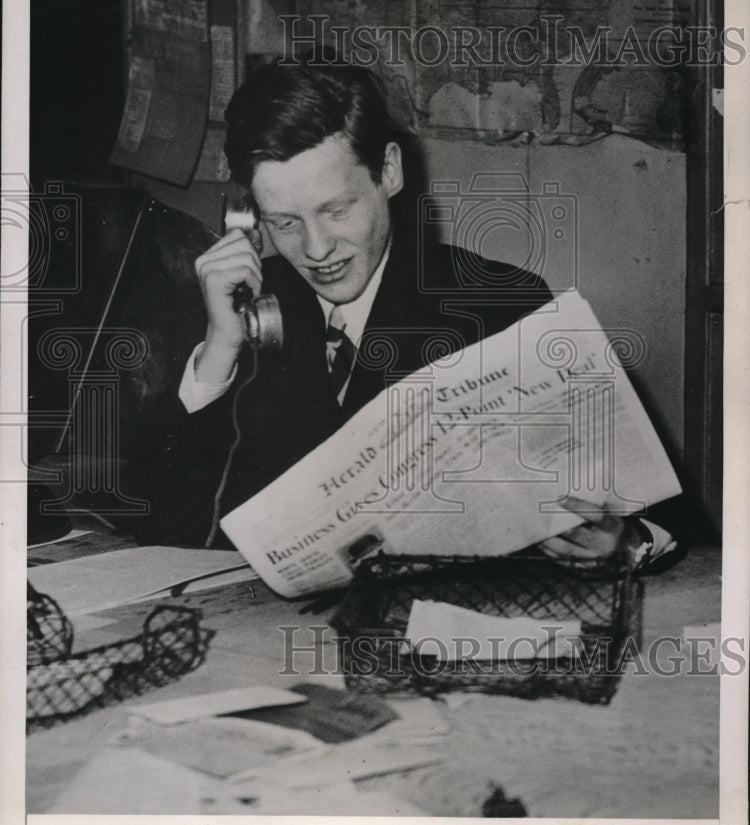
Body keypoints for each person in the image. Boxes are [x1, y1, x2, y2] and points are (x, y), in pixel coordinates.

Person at [124, 60, 674, 565]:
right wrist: (219, 351)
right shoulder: (247, 315)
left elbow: (662, 520)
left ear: (388, 171)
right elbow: (164, 534)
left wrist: (624, 542)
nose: (316, 250)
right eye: (284, 223)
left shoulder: (501, 305)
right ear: (247, 216)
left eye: (336, 210)